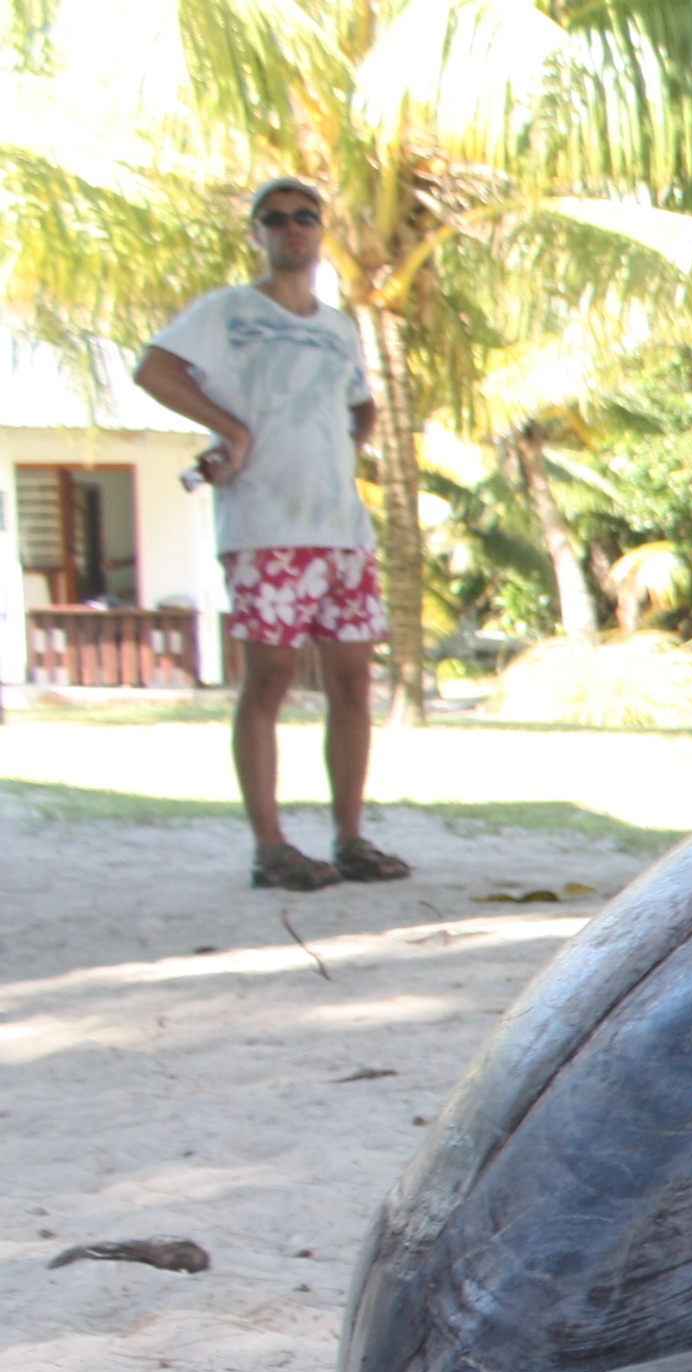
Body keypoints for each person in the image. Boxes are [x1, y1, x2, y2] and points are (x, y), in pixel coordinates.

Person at [134, 177, 412, 893]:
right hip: (266, 527)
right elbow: (154, 370)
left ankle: (350, 838)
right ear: (256, 234)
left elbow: (362, 405)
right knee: (271, 680)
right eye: (276, 219)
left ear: (322, 232)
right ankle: (272, 847)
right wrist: (230, 429)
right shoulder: (227, 313)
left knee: (352, 681)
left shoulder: (339, 326)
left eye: (305, 218)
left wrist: (339, 449)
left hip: (341, 528)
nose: (292, 228)